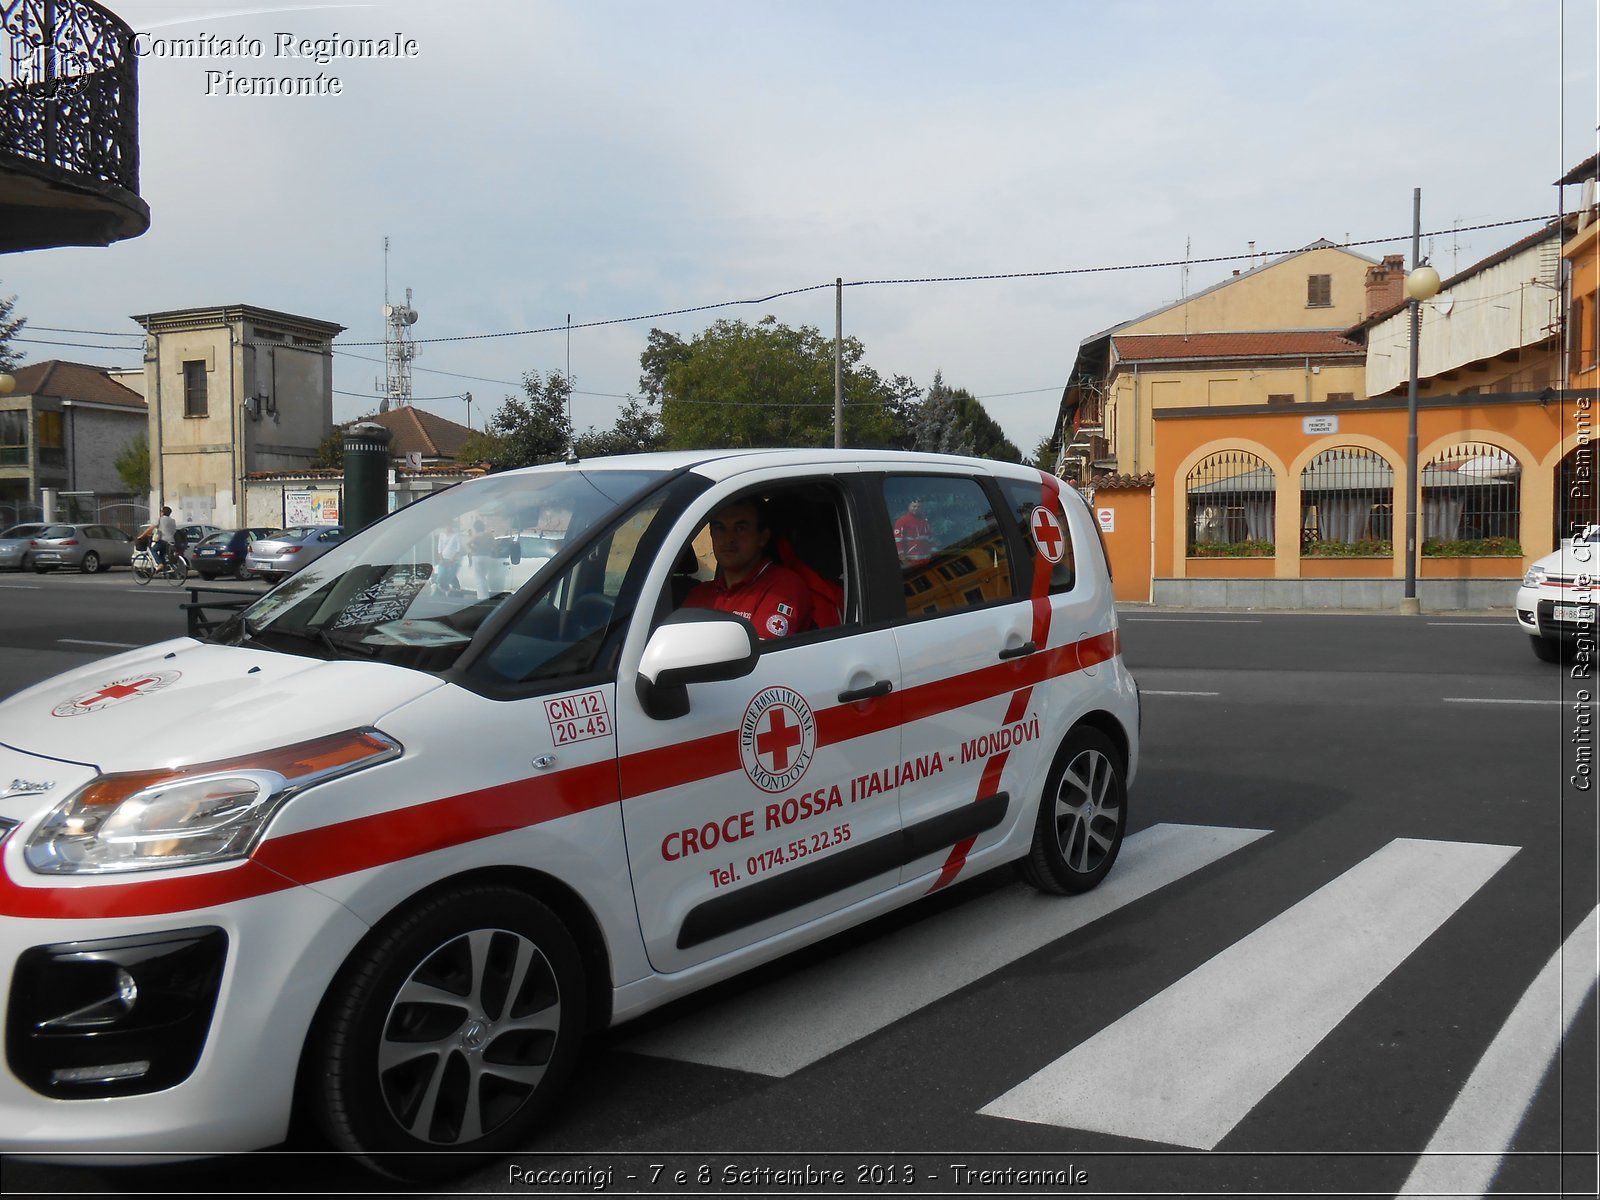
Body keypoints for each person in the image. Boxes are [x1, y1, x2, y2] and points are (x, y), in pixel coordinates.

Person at [682, 498, 812, 639]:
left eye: (740, 528)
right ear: (712, 534)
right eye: (720, 528)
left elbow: (762, 656)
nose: (728, 539)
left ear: (763, 537)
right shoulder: (698, 594)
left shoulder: (784, 586)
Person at [893, 496, 933, 564]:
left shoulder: (924, 521)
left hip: (927, 558)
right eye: (914, 506)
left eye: (918, 507)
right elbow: (897, 541)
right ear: (908, 507)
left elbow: (930, 538)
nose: (916, 508)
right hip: (912, 560)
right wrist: (903, 559)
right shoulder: (901, 521)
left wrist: (934, 553)